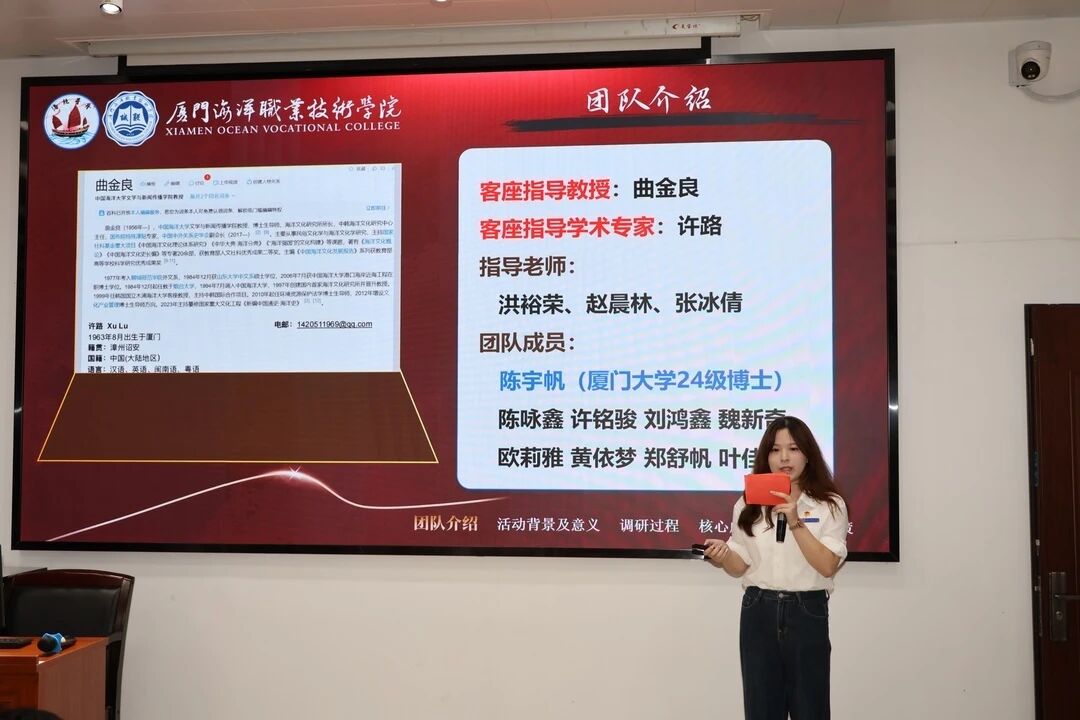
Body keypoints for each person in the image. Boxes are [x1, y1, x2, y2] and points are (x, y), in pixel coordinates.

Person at [702, 415, 849, 720]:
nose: (784, 458)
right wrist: (724, 555)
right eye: (775, 450)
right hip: (758, 609)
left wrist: (795, 520)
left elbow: (827, 565)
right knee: (761, 708)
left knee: (810, 708)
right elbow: (740, 565)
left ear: (807, 454)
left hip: (806, 611)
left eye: (793, 449)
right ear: (765, 456)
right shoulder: (748, 503)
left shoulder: (829, 504)